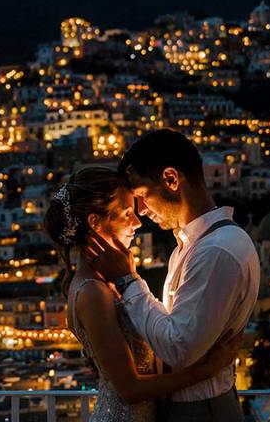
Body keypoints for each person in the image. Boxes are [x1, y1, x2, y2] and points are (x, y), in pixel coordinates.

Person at [83, 130, 260, 422]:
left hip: (202, 409)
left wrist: (128, 281)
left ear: (171, 179)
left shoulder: (216, 251)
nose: (140, 211)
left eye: (141, 195)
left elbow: (178, 348)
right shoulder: (193, 246)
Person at [44, 165, 244, 422]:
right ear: (95, 222)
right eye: (127, 213)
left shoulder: (106, 282)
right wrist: (209, 369)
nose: (138, 222)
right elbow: (130, 389)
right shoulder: (93, 291)